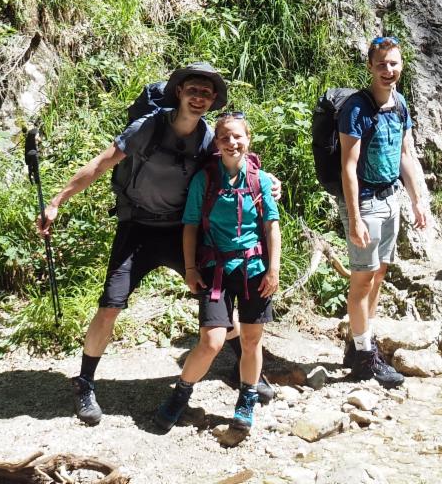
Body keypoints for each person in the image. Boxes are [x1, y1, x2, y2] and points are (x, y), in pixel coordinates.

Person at [35, 62, 276, 425]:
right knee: (111, 305)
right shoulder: (148, 127)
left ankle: (246, 371)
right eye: (193, 90)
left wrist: (269, 180)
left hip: (180, 229)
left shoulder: (209, 137)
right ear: (179, 92)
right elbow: (102, 163)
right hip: (137, 229)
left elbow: (237, 160)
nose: (198, 98)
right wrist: (57, 201)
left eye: (206, 94)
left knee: (216, 304)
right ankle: (84, 382)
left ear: (212, 102)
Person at [153, 113, 281, 432]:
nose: (231, 142)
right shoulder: (205, 180)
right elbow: (191, 226)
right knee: (211, 341)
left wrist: (273, 270)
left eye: (237, 136)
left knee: (252, 341)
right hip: (215, 269)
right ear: (217, 142)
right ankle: (181, 395)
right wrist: (191, 268)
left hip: (254, 270)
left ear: (248, 139)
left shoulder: (261, 181)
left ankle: (247, 399)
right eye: (224, 137)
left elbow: (271, 226)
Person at [338, 36, 428, 388]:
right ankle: (364, 358)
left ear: (401, 65)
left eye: (393, 63)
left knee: (378, 275)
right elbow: (349, 166)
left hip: (391, 199)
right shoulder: (356, 109)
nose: (388, 71)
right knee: (362, 278)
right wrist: (355, 217)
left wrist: (417, 199)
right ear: (370, 67)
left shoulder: (401, 103)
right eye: (381, 64)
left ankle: (359, 341)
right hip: (365, 202)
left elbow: (406, 154)